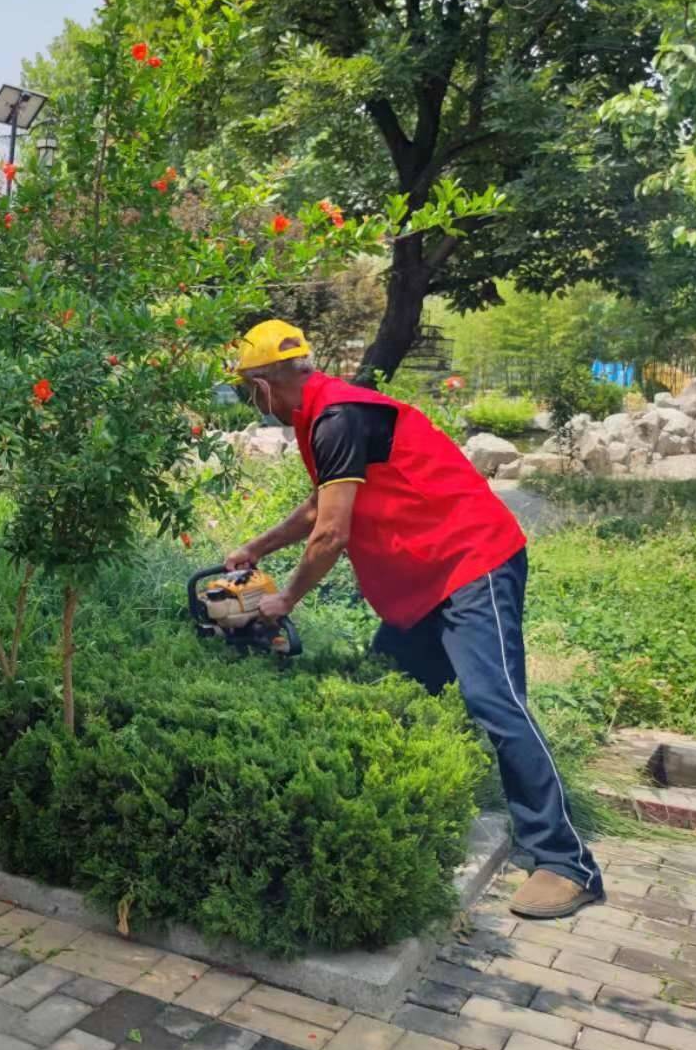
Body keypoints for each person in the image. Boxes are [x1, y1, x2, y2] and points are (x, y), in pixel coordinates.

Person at [223, 319, 605, 919]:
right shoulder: (325, 415)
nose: (254, 401)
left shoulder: (338, 415)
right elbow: (321, 504)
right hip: (423, 580)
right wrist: (258, 547)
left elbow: (330, 533)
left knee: (496, 703)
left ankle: (564, 862)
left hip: (470, 562)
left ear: (267, 383)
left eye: (251, 390)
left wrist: (285, 599)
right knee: (390, 693)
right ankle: (418, 812)